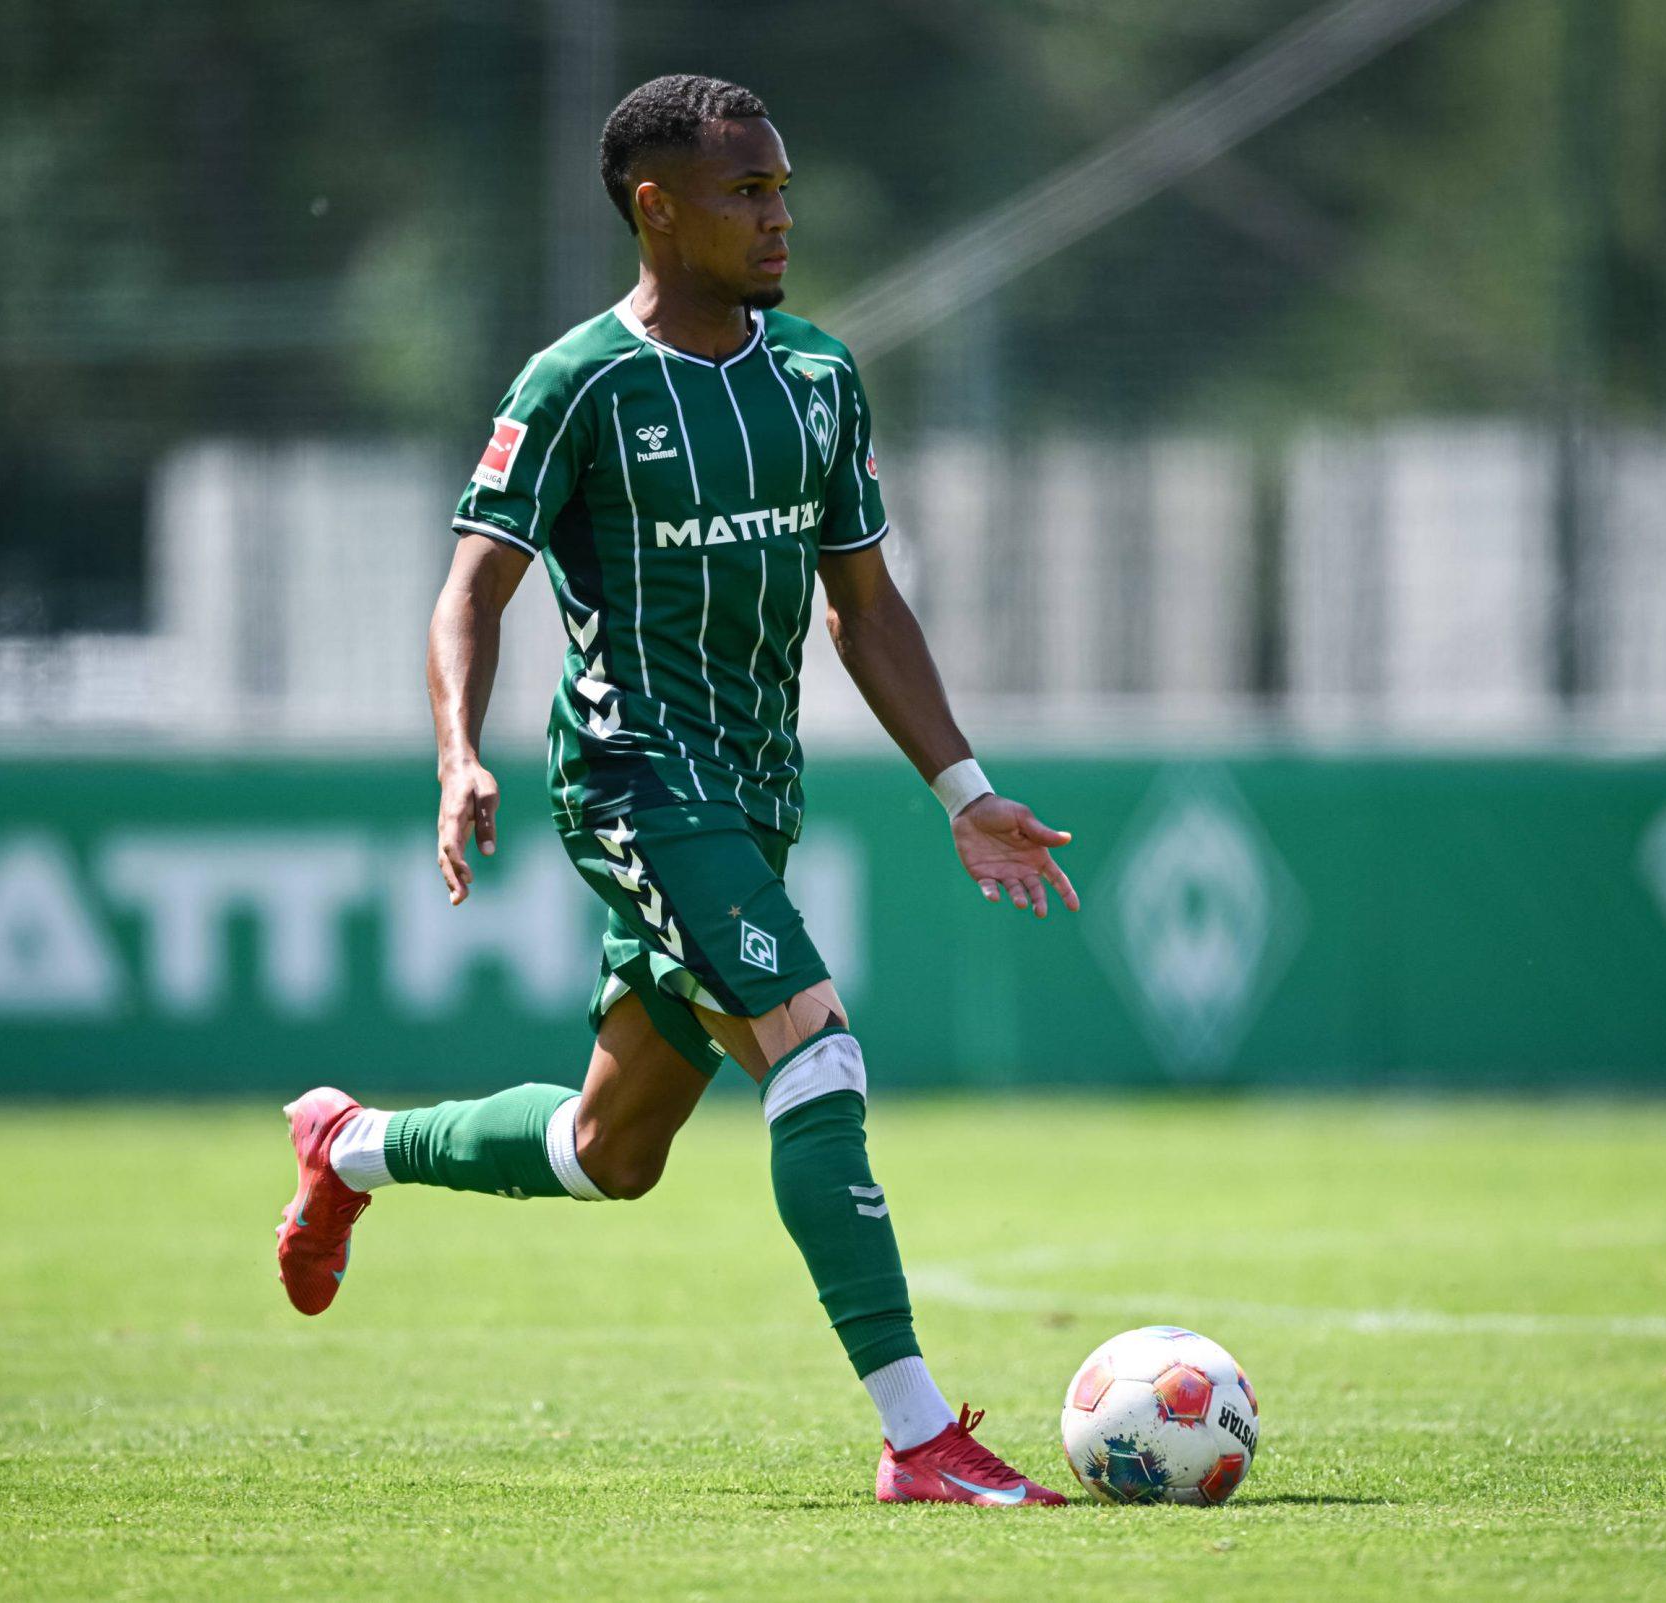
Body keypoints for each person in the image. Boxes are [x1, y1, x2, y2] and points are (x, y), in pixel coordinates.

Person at [273, 75, 1079, 1506]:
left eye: (780, 189)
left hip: (757, 793)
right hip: (638, 782)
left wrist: (963, 788)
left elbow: (867, 608)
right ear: (656, 207)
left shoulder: (820, 376)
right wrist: (460, 751)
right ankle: (918, 1439)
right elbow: (473, 589)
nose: (778, 217)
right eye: (744, 193)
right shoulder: (576, 383)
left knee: (610, 1151)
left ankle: (351, 1148)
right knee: (813, 1044)